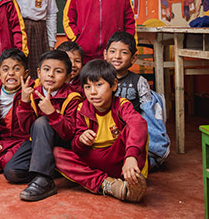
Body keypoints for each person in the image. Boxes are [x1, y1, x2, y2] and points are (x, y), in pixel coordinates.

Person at [53, 59, 149, 202]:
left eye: (99, 85)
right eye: (87, 87)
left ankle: (130, 182)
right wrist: (81, 140)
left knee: (136, 126)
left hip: (123, 164)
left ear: (114, 85)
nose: (93, 92)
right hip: (94, 164)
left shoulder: (122, 106)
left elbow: (138, 124)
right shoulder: (82, 109)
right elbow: (77, 149)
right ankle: (108, 185)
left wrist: (131, 156)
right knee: (56, 154)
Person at [4, 50, 82, 202]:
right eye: (46, 70)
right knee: (12, 172)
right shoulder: (32, 93)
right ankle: (49, 167)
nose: (51, 75)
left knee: (42, 122)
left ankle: (44, 179)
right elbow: (26, 130)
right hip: (38, 144)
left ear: (67, 77)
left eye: (58, 71)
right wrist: (25, 102)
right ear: (39, 73)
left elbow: (69, 133)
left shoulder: (73, 98)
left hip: (61, 144)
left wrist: (52, 114)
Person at [104, 31, 170, 170]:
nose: (117, 56)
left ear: (133, 58)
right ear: (105, 55)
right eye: (113, 51)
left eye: (124, 52)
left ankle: (143, 162)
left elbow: (149, 113)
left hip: (131, 127)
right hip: (108, 126)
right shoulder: (101, 79)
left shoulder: (139, 81)